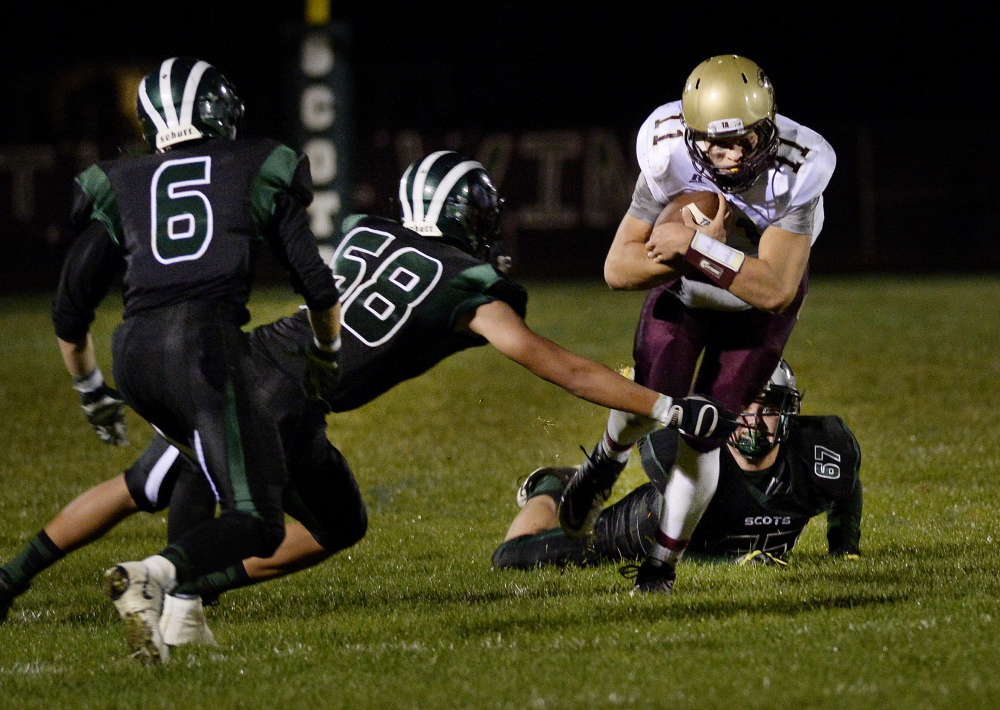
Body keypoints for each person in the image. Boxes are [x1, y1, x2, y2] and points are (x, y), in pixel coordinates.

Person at [1, 150, 734, 644]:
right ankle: (164, 590)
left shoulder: (365, 234)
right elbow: (560, 368)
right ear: (467, 220)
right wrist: (666, 407)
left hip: (273, 382)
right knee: (156, 489)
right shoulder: (467, 288)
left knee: (334, 522)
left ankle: (171, 589)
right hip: (260, 390)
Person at [48, 57, 342, 663]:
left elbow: (70, 306)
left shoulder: (121, 180)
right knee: (258, 518)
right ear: (221, 110)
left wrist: (90, 389)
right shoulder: (260, 163)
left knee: (191, 466)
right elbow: (315, 282)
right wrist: (325, 353)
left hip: (133, 358)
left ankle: (180, 624)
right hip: (205, 350)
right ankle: (153, 579)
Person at [557, 54, 837, 595]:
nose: (729, 157)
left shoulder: (801, 165)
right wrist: (682, 255)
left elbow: (776, 290)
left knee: (702, 432)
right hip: (686, 296)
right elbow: (618, 268)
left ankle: (660, 565)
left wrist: (697, 247)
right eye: (713, 142)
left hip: (755, 311)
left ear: (770, 127)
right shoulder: (664, 151)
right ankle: (603, 463)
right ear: (688, 133)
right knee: (648, 398)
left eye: (744, 142)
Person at [494, 361, 862, 573]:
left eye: (768, 408)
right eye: (744, 406)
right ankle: (551, 486)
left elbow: (844, 487)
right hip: (650, 528)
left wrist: (844, 547)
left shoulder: (819, 449)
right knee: (512, 558)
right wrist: (731, 564)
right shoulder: (687, 450)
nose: (753, 419)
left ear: (787, 412)